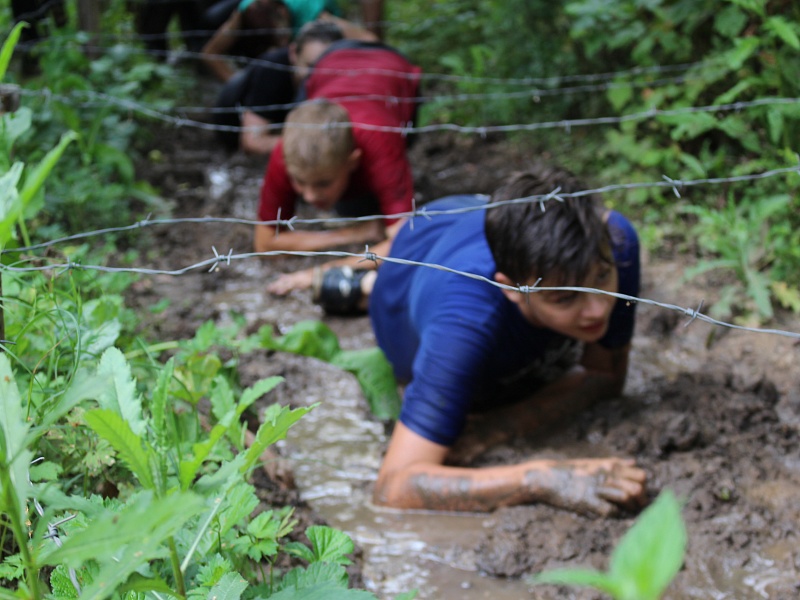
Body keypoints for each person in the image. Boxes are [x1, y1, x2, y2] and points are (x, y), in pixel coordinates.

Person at [325, 165, 647, 514]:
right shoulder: (464, 320)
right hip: (409, 274)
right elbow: (393, 486)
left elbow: (605, 378)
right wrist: (543, 478)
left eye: (602, 278)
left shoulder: (613, 241)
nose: (599, 309)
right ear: (510, 287)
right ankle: (362, 287)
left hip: (467, 215)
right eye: (566, 297)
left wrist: (497, 428)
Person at [254, 38, 421, 294]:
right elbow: (264, 243)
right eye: (299, 181)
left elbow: (405, 243)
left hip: (391, 66)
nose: (309, 196)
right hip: (329, 62)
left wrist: (320, 273)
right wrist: (352, 233)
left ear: (354, 161)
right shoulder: (287, 151)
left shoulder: (380, 141)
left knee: (362, 203)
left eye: (323, 183)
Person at [213, 19, 344, 154]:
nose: (317, 76)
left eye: (325, 69)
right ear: (293, 53)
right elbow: (252, 141)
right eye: (310, 66)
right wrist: (311, 143)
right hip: (232, 133)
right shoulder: (271, 72)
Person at [201, 0, 377, 83]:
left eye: (282, 38)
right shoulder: (245, 10)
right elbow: (210, 53)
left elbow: (370, 40)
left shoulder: (313, 13)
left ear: (284, 14)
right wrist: (239, 84)